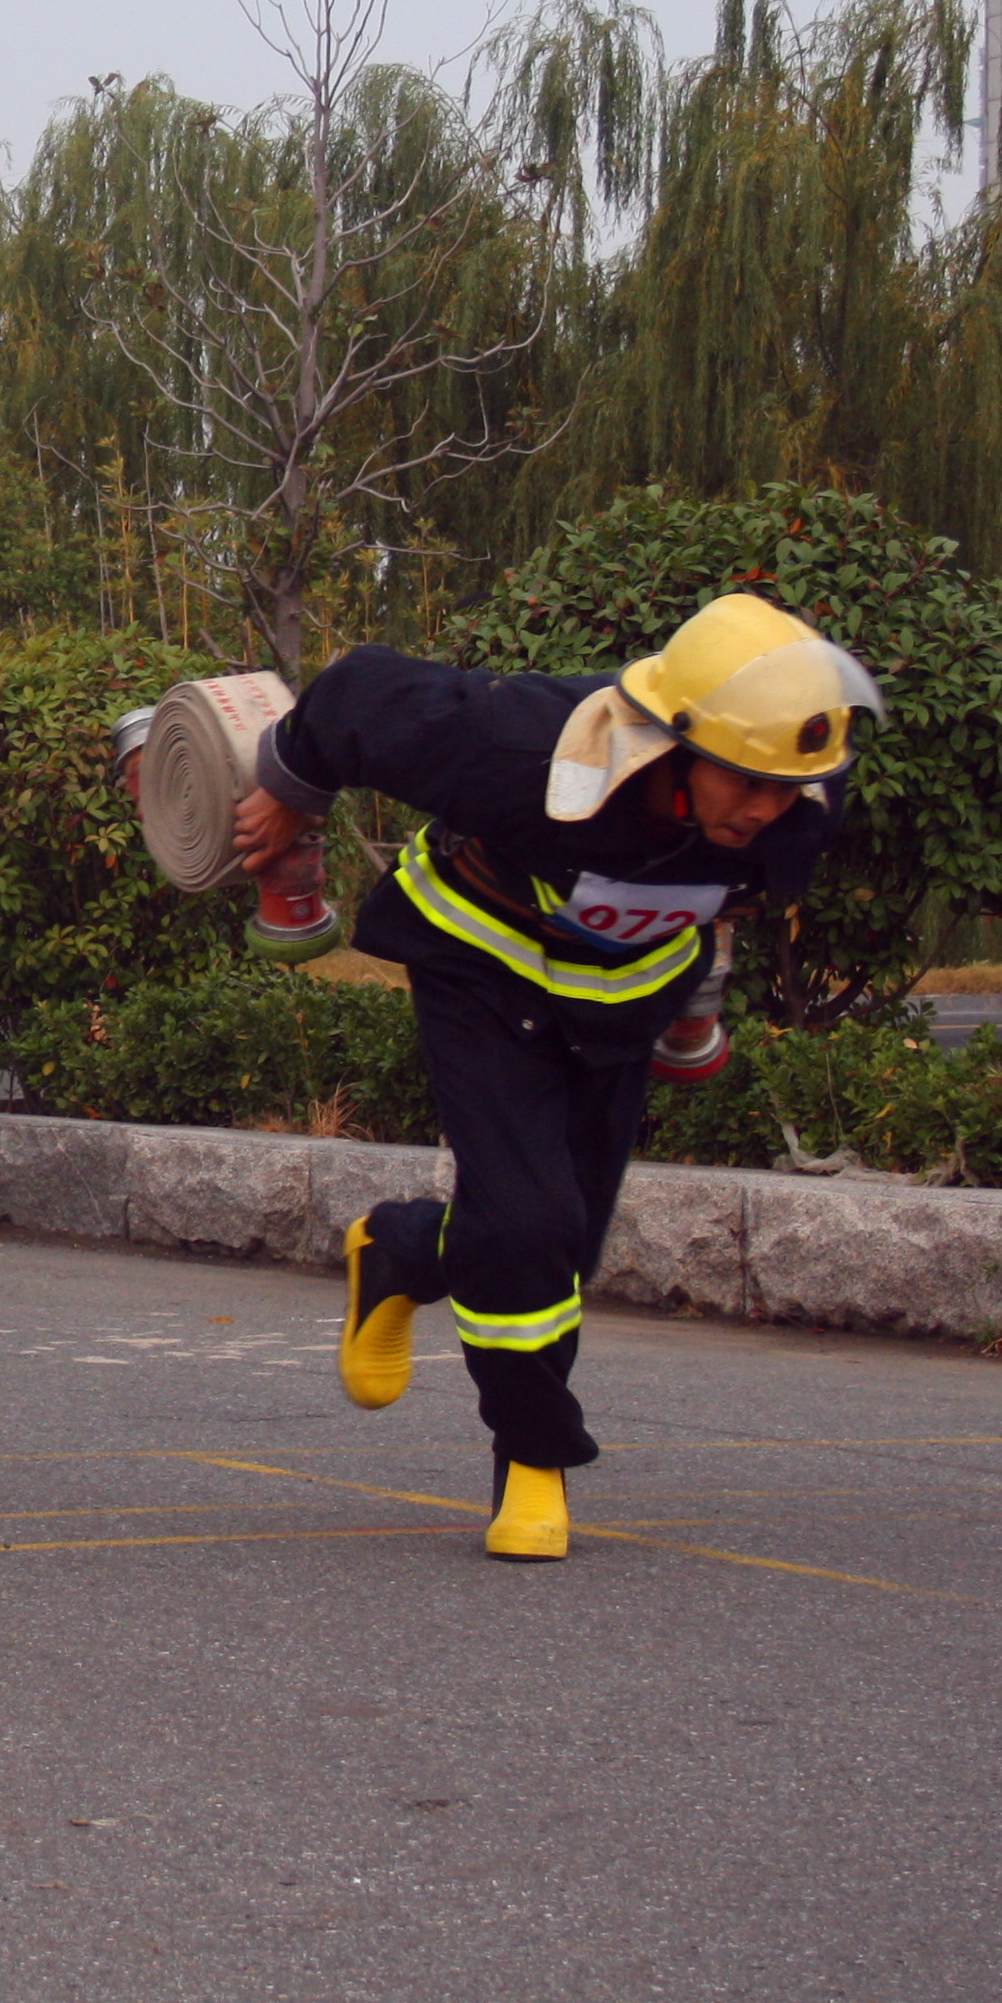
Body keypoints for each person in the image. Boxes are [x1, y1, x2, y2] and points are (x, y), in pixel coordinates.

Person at [239, 592, 875, 1562]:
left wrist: (695, 1017)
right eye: (746, 782)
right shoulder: (525, 747)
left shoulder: (796, 802)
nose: (766, 808)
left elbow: (725, 900)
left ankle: (403, 1251)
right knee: (525, 1224)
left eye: (786, 789)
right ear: (675, 737)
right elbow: (360, 694)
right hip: (481, 966)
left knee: (557, 1239)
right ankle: (534, 1465)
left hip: (621, 1003)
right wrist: (292, 785)